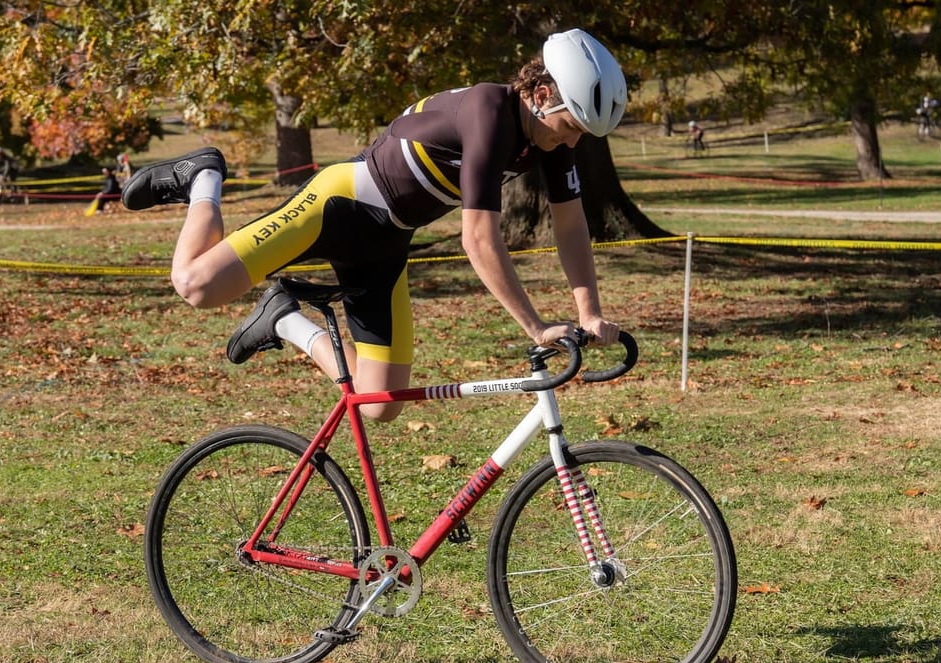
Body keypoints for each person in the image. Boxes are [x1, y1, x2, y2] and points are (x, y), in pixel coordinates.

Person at [121, 28, 626, 422]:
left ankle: (283, 319)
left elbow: (571, 225)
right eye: (573, 126)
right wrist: (534, 326)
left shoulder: (555, 140)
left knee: (379, 403)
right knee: (195, 284)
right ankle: (204, 176)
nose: (573, 141)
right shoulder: (490, 110)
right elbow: (478, 237)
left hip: (385, 243)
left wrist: (590, 311)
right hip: (341, 205)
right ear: (541, 93)